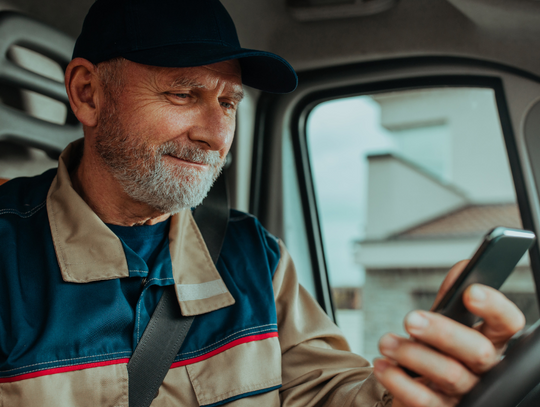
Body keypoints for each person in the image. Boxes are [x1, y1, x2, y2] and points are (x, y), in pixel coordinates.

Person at [0, 0, 525, 406]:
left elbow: (327, 393)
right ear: (87, 93)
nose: (214, 134)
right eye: (183, 94)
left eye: (228, 102)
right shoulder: (8, 253)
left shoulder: (254, 255)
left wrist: (419, 386)